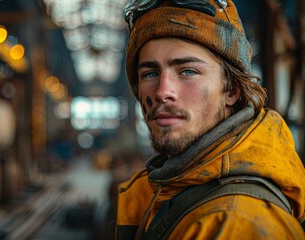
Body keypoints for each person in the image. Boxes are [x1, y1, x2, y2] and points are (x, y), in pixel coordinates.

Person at [115, 0, 305, 239]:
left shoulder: (237, 223)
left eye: (187, 71)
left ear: (232, 91)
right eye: (150, 73)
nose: (163, 92)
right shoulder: (165, 188)